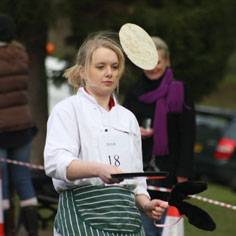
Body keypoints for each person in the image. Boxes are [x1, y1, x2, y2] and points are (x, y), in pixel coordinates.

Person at [44, 32, 168, 236]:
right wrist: (98, 169)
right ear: (83, 71)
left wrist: (145, 204)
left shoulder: (128, 118)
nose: (109, 72)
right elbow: (55, 161)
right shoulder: (67, 110)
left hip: (126, 220)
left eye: (114, 66)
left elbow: (136, 180)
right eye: (101, 67)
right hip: (81, 216)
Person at [123, 36, 196, 236]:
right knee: (145, 227)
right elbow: (122, 126)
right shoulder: (134, 92)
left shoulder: (179, 90)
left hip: (170, 172)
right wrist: (135, 130)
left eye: (158, 62)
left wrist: (183, 174)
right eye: (148, 62)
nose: (153, 67)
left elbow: (188, 133)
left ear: (167, 61)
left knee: (167, 227)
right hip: (141, 171)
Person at [0, 14, 39, 236]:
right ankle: (33, 232)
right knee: (23, 180)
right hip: (23, 126)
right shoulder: (20, 53)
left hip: (1, 129)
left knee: (1, 183)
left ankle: (7, 231)